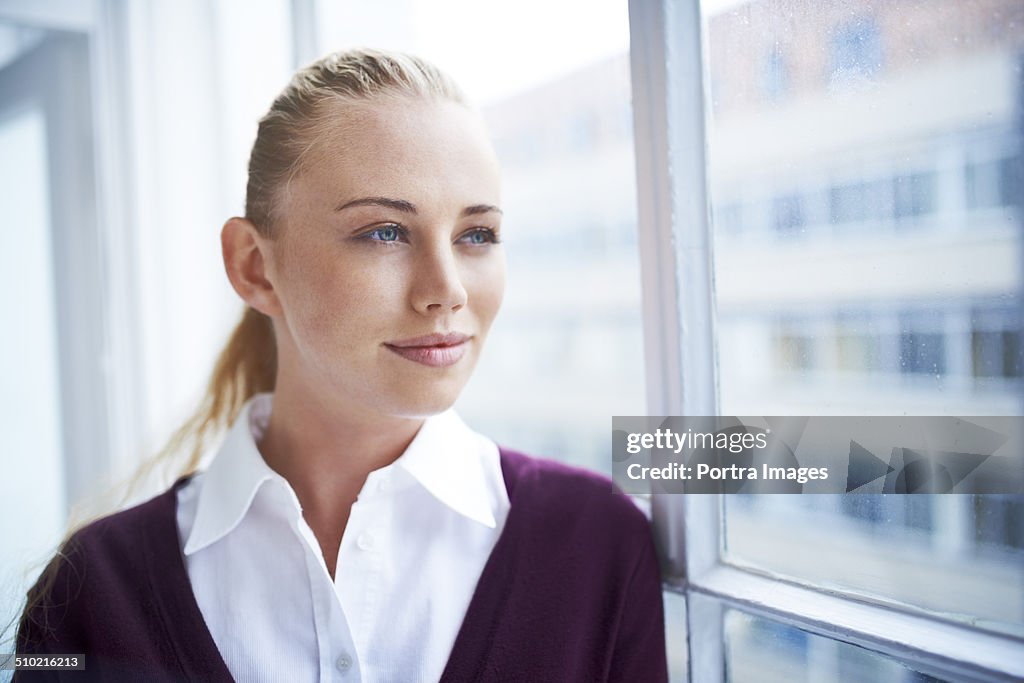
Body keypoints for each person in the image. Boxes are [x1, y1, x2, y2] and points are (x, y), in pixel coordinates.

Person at [15, 48, 667, 682]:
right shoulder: (84, 596)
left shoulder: (601, 544)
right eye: (385, 231)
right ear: (253, 265)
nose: (447, 290)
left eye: (476, 235)